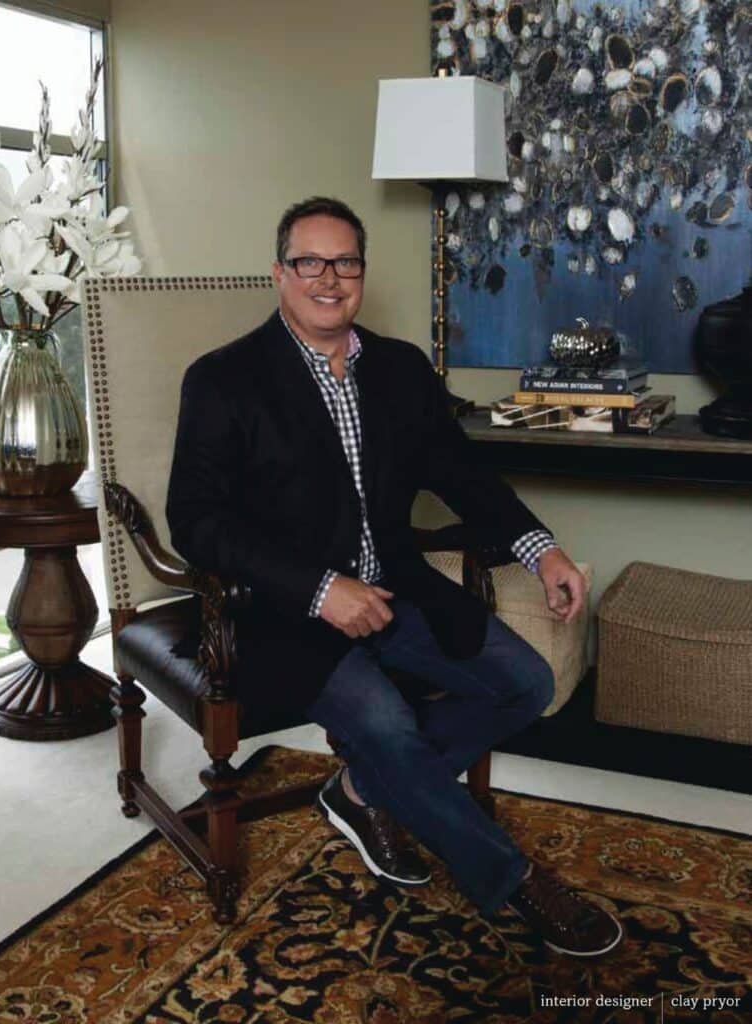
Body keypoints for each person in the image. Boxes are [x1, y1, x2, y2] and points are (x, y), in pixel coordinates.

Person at [166, 196, 622, 957]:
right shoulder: (222, 380)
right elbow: (197, 523)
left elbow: (464, 475)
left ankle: (357, 791)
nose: (328, 278)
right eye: (309, 261)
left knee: (527, 683)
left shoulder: (402, 369)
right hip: (287, 614)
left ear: (361, 274)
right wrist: (320, 588)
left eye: (344, 261)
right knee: (389, 729)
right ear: (279, 273)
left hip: (397, 588)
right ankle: (516, 884)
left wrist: (541, 549)